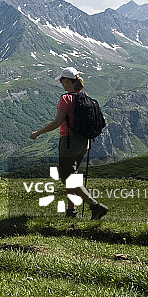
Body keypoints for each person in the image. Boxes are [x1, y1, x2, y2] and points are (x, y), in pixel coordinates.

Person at [30, 67, 108, 219]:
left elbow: (57, 122)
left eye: (61, 80)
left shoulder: (66, 99)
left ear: (67, 81)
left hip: (68, 142)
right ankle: (71, 211)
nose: (61, 83)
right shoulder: (84, 98)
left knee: (67, 176)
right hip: (84, 142)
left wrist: (38, 132)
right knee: (72, 175)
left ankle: (95, 205)